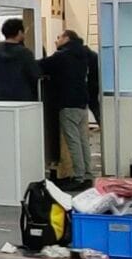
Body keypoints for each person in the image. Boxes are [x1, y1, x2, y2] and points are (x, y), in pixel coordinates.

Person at [41, 28, 103, 179]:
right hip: (83, 102)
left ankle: (78, 176)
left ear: (67, 38)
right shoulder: (86, 54)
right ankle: (87, 173)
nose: (56, 40)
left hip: (67, 103)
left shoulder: (62, 56)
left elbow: (41, 66)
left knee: (73, 141)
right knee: (83, 140)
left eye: (59, 37)